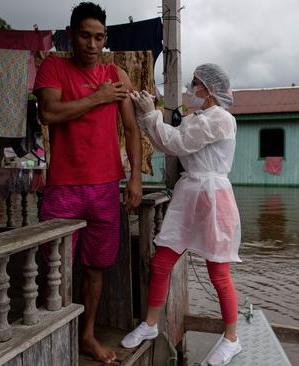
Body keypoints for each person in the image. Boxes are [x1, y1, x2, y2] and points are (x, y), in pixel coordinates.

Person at [33, 2, 142, 363]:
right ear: (71, 34)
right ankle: (51, 337)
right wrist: (98, 97)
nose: (92, 45)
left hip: (105, 187)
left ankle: (87, 336)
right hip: (63, 187)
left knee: (96, 268)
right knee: (54, 266)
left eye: (99, 37)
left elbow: (131, 129)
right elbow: (49, 113)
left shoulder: (116, 74)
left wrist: (136, 178)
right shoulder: (54, 66)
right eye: (85, 36)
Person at [121, 64, 243, 366]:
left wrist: (151, 115)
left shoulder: (222, 119)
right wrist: (149, 113)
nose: (191, 89)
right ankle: (150, 324)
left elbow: (175, 144)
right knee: (162, 260)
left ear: (209, 90)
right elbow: (170, 141)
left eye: (195, 84)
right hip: (190, 193)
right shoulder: (196, 118)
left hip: (214, 196)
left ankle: (232, 338)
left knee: (218, 272)